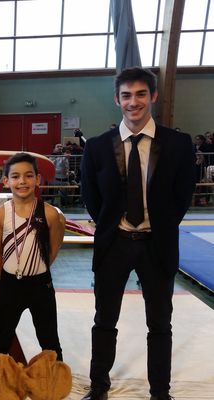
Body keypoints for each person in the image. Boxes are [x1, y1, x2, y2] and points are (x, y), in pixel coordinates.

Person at [80, 67, 196, 400]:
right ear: (117, 100)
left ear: (153, 96)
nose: (134, 102)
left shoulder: (177, 144)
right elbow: (91, 196)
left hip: (155, 245)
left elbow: (182, 194)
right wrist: (111, 224)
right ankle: (99, 386)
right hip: (114, 243)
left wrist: (158, 226)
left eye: (141, 94)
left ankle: (160, 392)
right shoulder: (99, 147)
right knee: (104, 321)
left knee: (159, 324)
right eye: (127, 95)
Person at [0, 152, 65, 361]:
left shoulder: (49, 214)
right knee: (0, 338)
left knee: (49, 338)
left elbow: (54, 248)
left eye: (29, 175)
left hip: (41, 285)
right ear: (6, 181)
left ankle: (54, 381)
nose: (22, 181)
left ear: (38, 179)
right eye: (15, 176)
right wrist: (5, 276)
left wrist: (39, 269)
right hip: (10, 283)